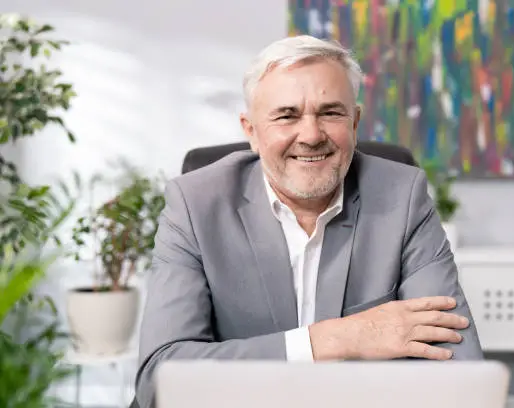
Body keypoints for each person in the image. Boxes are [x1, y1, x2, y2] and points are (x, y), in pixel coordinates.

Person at [134, 35, 482, 408]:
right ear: (250, 131)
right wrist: (336, 339)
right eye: (287, 115)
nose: (312, 135)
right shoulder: (195, 204)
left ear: (355, 122)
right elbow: (161, 378)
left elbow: (458, 369)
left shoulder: (403, 196)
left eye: (331, 113)